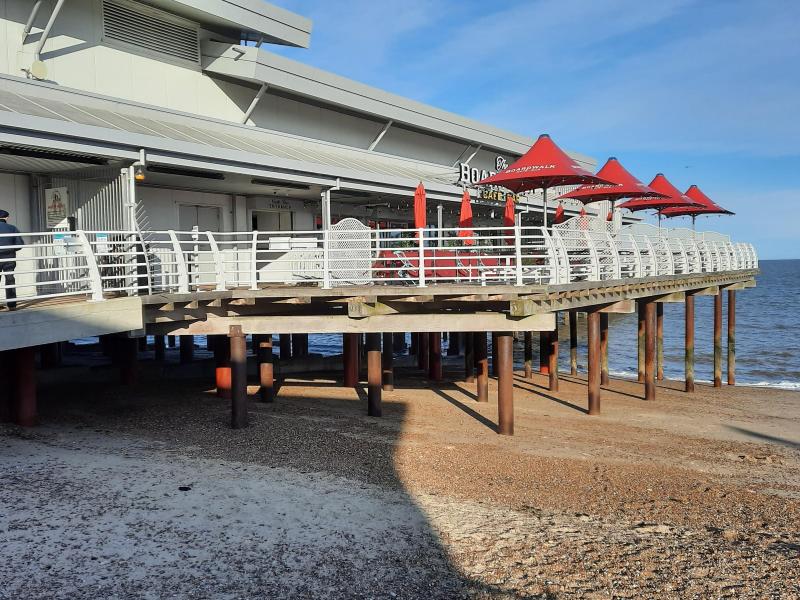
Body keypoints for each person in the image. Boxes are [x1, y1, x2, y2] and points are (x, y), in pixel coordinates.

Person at [0, 209, 24, 310]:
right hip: (8, 258)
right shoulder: (12, 228)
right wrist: (10, 249)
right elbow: (20, 245)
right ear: (6, 218)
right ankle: (12, 305)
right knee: (10, 280)